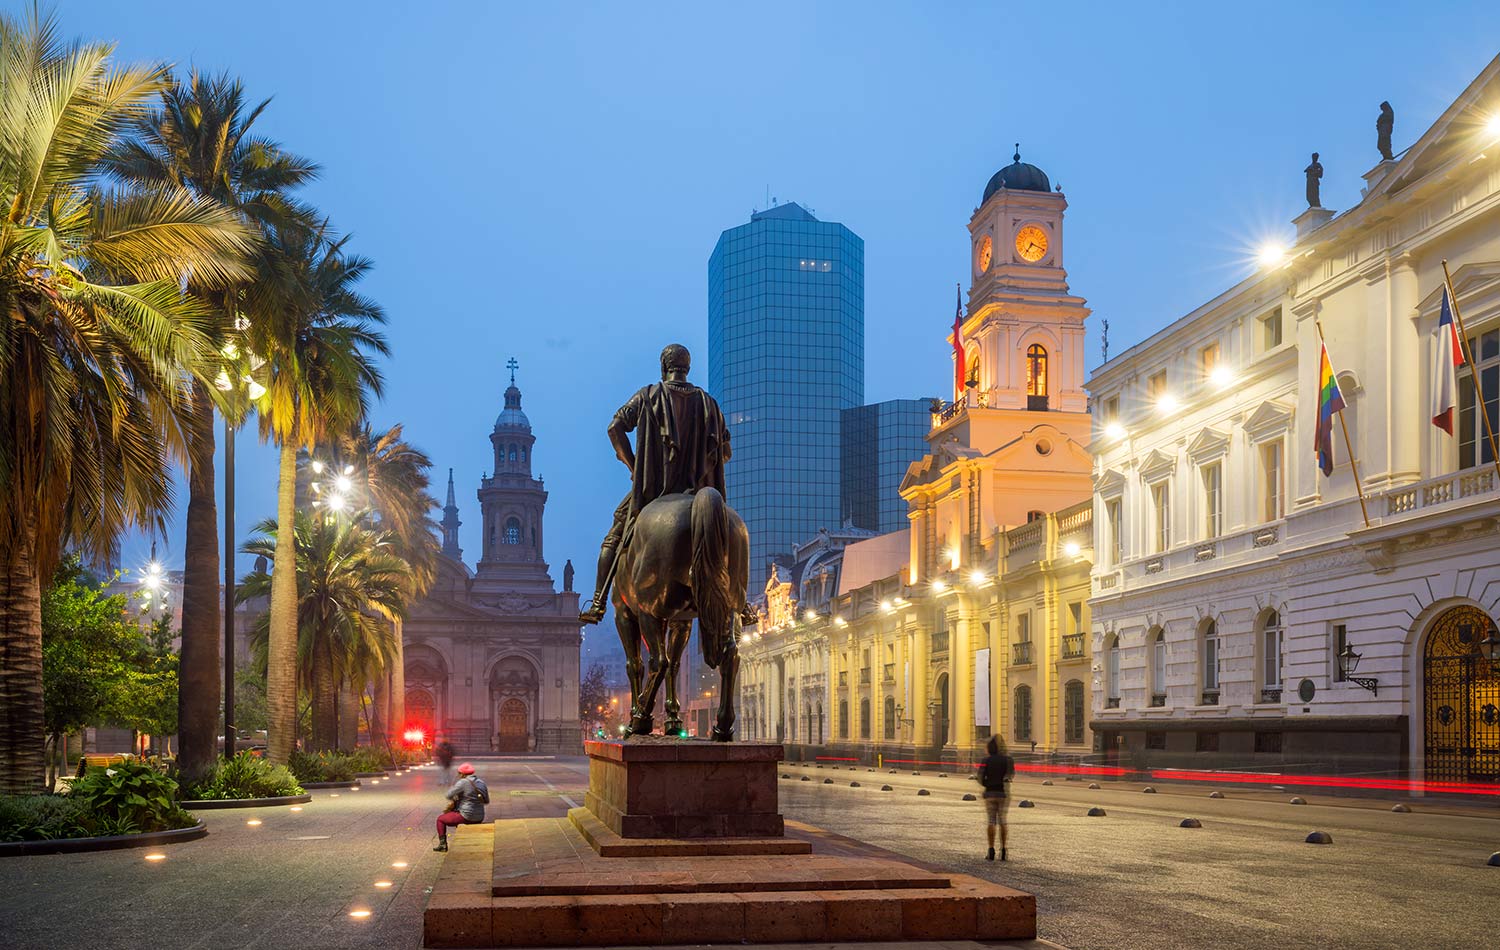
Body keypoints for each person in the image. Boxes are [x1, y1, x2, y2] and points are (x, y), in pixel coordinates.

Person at [578, 343, 738, 624]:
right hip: (700, 490)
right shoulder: (709, 403)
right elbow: (725, 452)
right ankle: (741, 601)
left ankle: (598, 601)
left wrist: (634, 465)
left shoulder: (647, 395)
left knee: (614, 536)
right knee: (727, 538)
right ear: (687, 368)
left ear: (664, 367)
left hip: (653, 492)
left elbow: (614, 427)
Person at [433, 762, 489, 852]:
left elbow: (448, 795)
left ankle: (442, 845)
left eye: (459, 773)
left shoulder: (463, 782)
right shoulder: (481, 782)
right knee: (456, 816)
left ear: (462, 774)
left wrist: (455, 791)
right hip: (480, 816)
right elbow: (486, 800)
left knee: (440, 819)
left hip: (467, 815)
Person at [978, 735, 1015, 861]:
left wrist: (988, 784)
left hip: (990, 793)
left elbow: (980, 778)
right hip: (1002, 793)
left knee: (991, 821)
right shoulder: (1008, 760)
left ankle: (991, 849)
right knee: (1003, 821)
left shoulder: (986, 760)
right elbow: (1010, 775)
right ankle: (1004, 849)